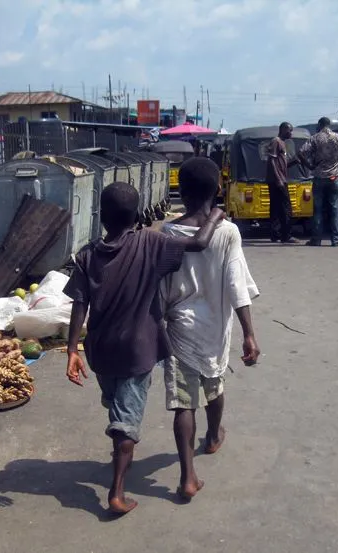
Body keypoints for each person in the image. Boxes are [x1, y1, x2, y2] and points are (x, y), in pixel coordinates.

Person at [63, 182, 225, 515]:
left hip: (100, 351)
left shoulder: (87, 254)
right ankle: (116, 494)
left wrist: (72, 350)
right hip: (137, 350)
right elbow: (199, 242)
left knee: (116, 404)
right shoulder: (150, 243)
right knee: (126, 422)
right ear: (137, 215)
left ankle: (119, 446)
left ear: (102, 217)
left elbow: (79, 303)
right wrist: (217, 214)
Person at [159, 158, 261, 500]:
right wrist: (249, 333)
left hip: (179, 330)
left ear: (181, 192)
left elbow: (160, 289)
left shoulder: (169, 234)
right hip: (214, 329)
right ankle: (214, 435)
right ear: (218, 190)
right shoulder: (228, 232)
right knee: (214, 384)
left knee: (183, 404)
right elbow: (237, 286)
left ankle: (188, 476)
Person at [298, 117, 338, 247]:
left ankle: (316, 239)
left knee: (317, 210)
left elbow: (301, 153)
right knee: (334, 209)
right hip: (334, 177)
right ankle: (336, 239)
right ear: (329, 125)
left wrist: (310, 166)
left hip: (319, 177)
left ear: (319, 125)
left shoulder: (315, 138)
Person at [266, 122, 300, 243]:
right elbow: (272, 161)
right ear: (283, 129)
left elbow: (281, 164)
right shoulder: (276, 141)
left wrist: (294, 162)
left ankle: (275, 235)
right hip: (278, 180)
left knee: (275, 208)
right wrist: (278, 179)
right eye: (289, 130)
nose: (291, 133)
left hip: (278, 179)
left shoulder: (283, 144)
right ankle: (286, 235)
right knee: (286, 208)